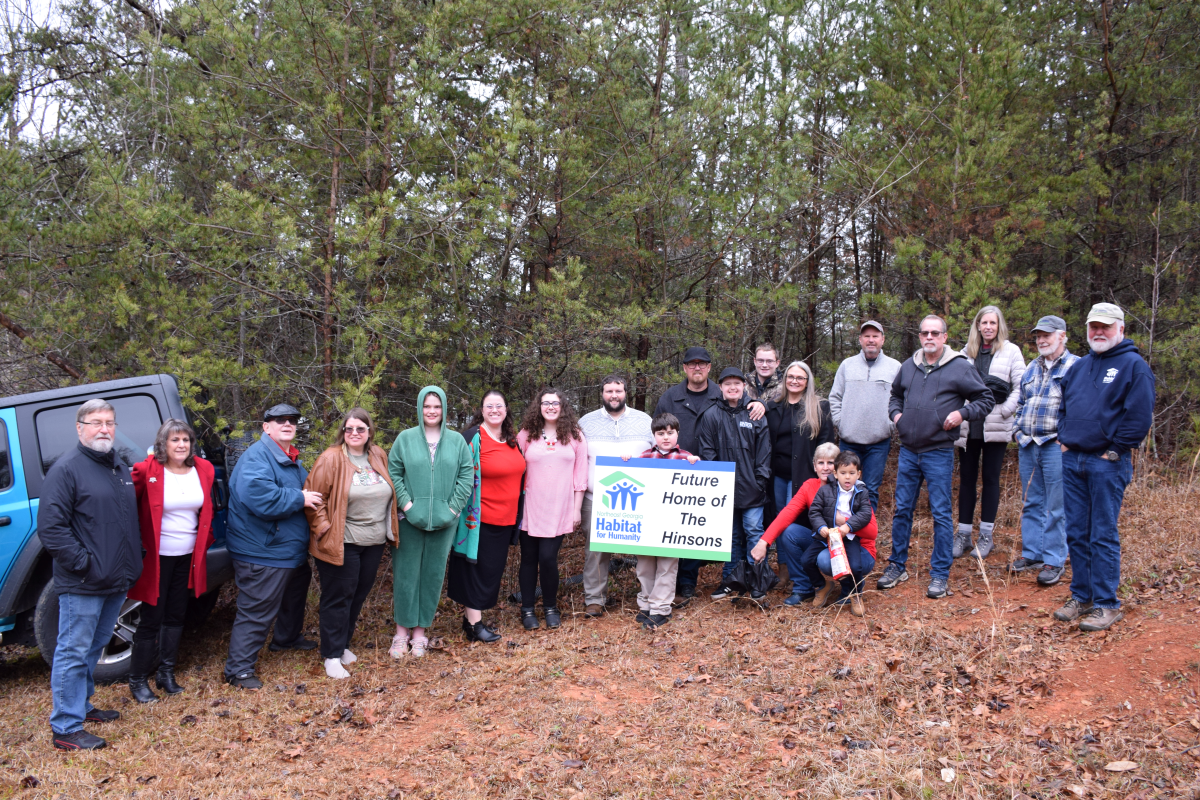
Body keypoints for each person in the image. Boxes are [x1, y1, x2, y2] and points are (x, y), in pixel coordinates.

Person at [40, 399, 142, 750]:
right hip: (84, 581)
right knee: (72, 651)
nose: (104, 428)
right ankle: (66, 728)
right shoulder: (67, 469)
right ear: (80, 427)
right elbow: (51, 530)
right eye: (96, 422)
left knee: (93, 647)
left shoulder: (116, 466)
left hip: (115, 579)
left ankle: (82, 706)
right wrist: (85, 563)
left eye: (110, 422)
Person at [1053, 303, 1154, 632]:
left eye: (1106, 327)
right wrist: (1065, 438)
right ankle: (1081, 595)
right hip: (1073, 460)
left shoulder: (1133, 366)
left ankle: (1106, 603)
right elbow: (1064, 404)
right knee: (1076, 532)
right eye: (1094, 326)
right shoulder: (1080, 367)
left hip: (1106, 464)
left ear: (1120, 329)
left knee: (1102, 533)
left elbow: (1138, 416)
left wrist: (1114, 451)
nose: (1099, 332)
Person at [877, 315, 994, 599]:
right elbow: (894, 396)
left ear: (944, 337)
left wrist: (961, 413)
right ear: (920, 336)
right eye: (924, 333)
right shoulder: (909, 366)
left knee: (941, 515)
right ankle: (897, 566)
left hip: (938, 451)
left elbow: (985, 399)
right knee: (902, 510)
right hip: (908, 450)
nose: (929, 337)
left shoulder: (959, 367)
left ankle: (940, 575)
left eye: (935, 333)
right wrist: (897, 416)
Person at [653, 348, 766, 602]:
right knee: (672, 528)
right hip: (673, 471)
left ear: (709, 368)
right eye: (691, 364)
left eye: (702, 364)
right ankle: (667, 584)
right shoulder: (670, 397)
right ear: (684, 368)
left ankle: (688, 583)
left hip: (708, 476)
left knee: (694, 528)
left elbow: (750, 406)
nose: (697, 368)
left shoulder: (721, 392)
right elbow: (657, 429)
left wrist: (761, 403)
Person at [224, 404, 322, 690]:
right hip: (262, 549)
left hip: (286, 548)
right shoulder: (257, 457)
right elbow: (261, 498)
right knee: (256, 608)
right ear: (266, 427)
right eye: (280, 420)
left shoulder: (288, 457)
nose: (287, 424)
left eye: (292, 420)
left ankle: (286, 638)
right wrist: (300, 499)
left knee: (294, 594)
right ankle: (238, 670)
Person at [304, 408, 398, 678]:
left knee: (358, 594)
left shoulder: (377, 455)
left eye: (360, 428)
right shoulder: (331, 458)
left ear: (369, 432)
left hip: (374, 541)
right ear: (343, 432)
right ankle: (331, 656)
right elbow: (313, 498)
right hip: (342, 541)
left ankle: (342, 644)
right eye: (349, 429)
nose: (354, 433)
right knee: (338, 597)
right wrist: (323, 528)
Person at [127, 419, 216, 702]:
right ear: (163, 443)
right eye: (175, 440)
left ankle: (166, 673)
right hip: (157, 557)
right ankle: (138, 679)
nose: (181, 445)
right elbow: (129, 508)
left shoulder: (203, 469)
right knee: (152, 617)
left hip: (188, 555)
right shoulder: (146, 470)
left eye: (185, 440)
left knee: (177, 614)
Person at [390, 387, 475, 651]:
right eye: (427, 406)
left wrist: (451, 510)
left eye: (436, 407)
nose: (431, 411)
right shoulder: (405, 439)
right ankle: (401, 632)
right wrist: (407, 504)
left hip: (444, 522)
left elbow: (466, 475)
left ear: (444, 409)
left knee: (432, 575)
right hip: (409, 521)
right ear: (419, 407)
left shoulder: (457, 442)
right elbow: (394, 472)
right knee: (406, 575)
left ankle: (419, 633)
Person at [448, 389, 524, 643]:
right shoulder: (471, 437)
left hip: (506, 518)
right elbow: (455, 474)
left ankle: (472, 618)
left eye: (499, 406)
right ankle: (474, 625)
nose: (494, 410)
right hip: (478, 520)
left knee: (490, 571)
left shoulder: (512, 439)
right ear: (482, 410)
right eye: (489, 406)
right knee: (475, 570)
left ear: (506, 410)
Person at [953, 305, 1027, 560]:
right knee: (967, 481)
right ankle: (963, 535)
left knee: (991, 480)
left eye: (992, 323)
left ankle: (986, 535)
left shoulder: (1011, 351)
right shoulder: (965, 354)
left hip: (996, 426)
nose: (988, 327)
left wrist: (1006, 411)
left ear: (999, 326)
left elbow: (1021, 386)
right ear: (977, 326)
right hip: (969, 427)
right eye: (983, 323)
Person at [1011, 316, 1079, 587]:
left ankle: (1054, 559)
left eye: (1047, 335)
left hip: (1055, 445)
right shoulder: (1032, 367)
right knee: (1032, 501)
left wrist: (1068, 441)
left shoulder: (1076, 367)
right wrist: (1017, 431)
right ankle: (1033, 554)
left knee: (1057, 506)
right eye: (1038, 335)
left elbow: (1080, 407)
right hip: (1028, 444)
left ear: (1062, 336)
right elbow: (1021, 402)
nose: (1041, 340)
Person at [578, 375, 654, 617]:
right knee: (596, 551)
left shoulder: (644, 420)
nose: (614, 395)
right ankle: (594, 599)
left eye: (618, 391)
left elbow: (660, 451)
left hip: (638, 496)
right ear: (602, 393)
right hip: (596, 498)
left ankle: (648, 596)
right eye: (609, 391)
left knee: (644, 547)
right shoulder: (585, 422)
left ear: (625, 393)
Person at [619, 413, 701, 629]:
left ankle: (661, 608)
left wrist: (696, 463)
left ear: (677, 434)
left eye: (670, 433)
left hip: (672, 524)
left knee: (667, 566)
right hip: (647, 522)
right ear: (654, 435)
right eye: (660, 433)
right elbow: (631, 478)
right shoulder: (644, 456)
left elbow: (699, 483)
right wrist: (626, 462)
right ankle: (646, 604)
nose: (666, 437)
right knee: (645, 565)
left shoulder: (686, 458)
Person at [515, 388, 588, 631]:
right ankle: (527, 609)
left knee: (548, 558)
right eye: (545, 403)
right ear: (538, 406)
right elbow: (515, 469)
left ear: (562, 406)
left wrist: (577, 509)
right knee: (528, 560)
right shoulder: (526, 435)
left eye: (555, 403)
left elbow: (580, 474)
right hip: (530, 507)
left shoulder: (575, 435)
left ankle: (549, 607)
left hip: (560, 507)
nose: (550, 407)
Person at [697, 367, 772, 600]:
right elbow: (707, 453)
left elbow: (764, 452)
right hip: (724, 490)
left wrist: (760, 481)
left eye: (737, 384)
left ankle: (757, 580)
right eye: (727, 384)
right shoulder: (711, 415)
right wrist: (716, 484)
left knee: (753, 532)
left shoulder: (754, 413)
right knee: (730, 537)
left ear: (743, 387)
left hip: (752, 489)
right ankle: (730, 581)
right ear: (720, 387)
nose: (732, 387)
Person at [750, 443, 842, 606]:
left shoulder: (847, 486)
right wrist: (764, 542)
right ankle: (804, 587)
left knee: (824, 560)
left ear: (838, 465)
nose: (826, 467)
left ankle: (850, 590)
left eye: (831, 462)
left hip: (844, 541)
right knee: (789, 532)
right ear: (814, 466)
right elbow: (786, 514)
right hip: (821, 539)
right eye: (821, 463)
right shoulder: (809, 486)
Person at [828, 320, 901, 509]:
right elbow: (835, 397)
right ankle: (847, 533)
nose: (871, 340)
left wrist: (891, 424)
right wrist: (840, 422)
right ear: (860, 340)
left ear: (882, 340)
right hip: (849, 440)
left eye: (875, 336)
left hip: (878, 442)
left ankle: (867, 536)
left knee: (870, 490)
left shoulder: (894, 367)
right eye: (867, 336)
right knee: (846, 488)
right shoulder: (847, 365)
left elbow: (903, 400)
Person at [806, 451, 877, 617]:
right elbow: (814, 511)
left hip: (849, 537)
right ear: (835, 474)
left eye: (852, 473)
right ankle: (821, 586)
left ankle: (855, 593)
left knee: (855, 566)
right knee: (807, 560)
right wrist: (821, 527)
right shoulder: (825, 491)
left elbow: (865, 514)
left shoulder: (861, 492)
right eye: (843, 473)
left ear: (858, 474)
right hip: (828, 535)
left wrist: (848, 526)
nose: (847, 478)